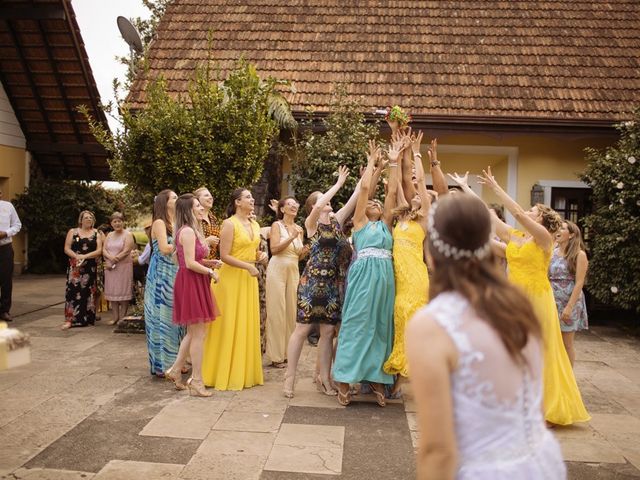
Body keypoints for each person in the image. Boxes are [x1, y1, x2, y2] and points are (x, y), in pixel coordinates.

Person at [407, 193, 566, 479]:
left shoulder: (431, 324)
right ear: (486, 246)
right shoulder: (520, 306)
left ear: (432, 251)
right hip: (541, 464)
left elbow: (438, 450)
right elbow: (536, 406)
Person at [450, 168, 589, 426]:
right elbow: (486, 216)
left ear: (542, 220)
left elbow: (515, 213)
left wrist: (495, 186)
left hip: (536, 300)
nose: (527, 212)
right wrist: (466, 189)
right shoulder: (515, 236)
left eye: (533, 212)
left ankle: (544, 408)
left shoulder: (544, 239)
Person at [283, 166, 358, 398]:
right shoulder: (311, 224)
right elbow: (317, 205)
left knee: (328, 332)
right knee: (302, 329)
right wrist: (337, 184)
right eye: (323, 200)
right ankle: (290, 377)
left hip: (333, 283)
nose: (328, 203)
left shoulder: (337, 222)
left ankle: (325, 379)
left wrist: (367, 173)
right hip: (312, 281)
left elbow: (356, 197)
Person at [333, 140, 398, 407]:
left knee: (380, 326)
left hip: (384, 278)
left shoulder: (386, 225)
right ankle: (344, 380)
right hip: (362, 277)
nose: (374, 202)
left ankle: (376, 378)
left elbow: (392, 193)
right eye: (371, 201)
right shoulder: (360, 223)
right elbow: (364, 191)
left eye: (377, 202)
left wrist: (393, 162)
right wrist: (372, 165)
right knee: (356, 324)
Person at [202, 188, 266, 390]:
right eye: (247, 197)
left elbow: (252, 250)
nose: (252, 199)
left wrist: (259, 257)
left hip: (248, 279)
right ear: (237, 202)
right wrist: (248, 266)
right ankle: (219, 372)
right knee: (228, 324)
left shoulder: (255, 224)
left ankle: (244, 371)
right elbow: (225, 255)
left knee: (246, 322)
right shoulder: (229, 224)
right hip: (231, 279)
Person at [383, 130, 431, 396]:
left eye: (420, 195)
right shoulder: (402, 216)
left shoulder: (423, 218)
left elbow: (419, 180)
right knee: (399, 320)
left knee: (407, 318)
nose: (415, 195)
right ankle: (404, 373)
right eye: (413, 195)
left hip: (415, 278)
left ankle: (406, 377)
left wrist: (416, 152)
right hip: (398, 277)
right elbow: (399, 181)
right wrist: (398, 150)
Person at [165, 194, 220, 397]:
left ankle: (175, 370)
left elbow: (193, 259)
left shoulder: (190, 230)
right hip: (191, 282)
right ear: (188, 210)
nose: (200, 208)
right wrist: (210, 272)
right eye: (197, 205)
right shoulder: (187, 231)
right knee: (199, 334)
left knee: (193, 332)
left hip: (193, 280)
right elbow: (188, 263)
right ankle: (197, 381)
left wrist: (209, 263)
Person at [144, 189, 184, 377]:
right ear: (164, 202)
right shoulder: (159, 223)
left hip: (176, 272)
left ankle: (178, 360)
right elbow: (165, 247)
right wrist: (187, 243)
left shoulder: (177, 221)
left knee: (178, 318)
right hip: (162, 274)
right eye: (174, 197)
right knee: (163, 318)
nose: (177, 199)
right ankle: (163, 364)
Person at [265, 196, 304, 368]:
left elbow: (298, 254)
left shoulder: (299, 229)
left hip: (293, 269)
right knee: (277, 311)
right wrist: (291, 237)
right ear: (282, 209)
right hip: (277, 268)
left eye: (295, 204)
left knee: (291, 311)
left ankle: (289, 353)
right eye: (289, 204)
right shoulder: (277, 225)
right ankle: (276, 356)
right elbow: (274, 249)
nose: (293, 206)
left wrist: (306, 251)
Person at [550, 220, 589, 367]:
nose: (558, 230)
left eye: (563, 228)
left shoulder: (579, 255)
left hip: (569, 301)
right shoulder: (552, 251)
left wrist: (569, 307)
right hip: (551, 300)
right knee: (551, 342)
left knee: (567, 344)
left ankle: (569, 381)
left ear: (571, 235)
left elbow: (579, 282)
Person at [62, 210, 103, 329]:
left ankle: (88, 318)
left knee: (89, 292)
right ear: (81, 220)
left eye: (91, 218)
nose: (88, 219)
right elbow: (67, 248)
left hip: (90, 266)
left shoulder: (97, 233)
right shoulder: (73, 232)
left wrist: (84, 256)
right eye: (86, 218)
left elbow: (99, 250)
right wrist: (76, 256)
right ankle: (70, 320)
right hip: (76, 266)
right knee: (73, 291)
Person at [103, 212, 135, 326]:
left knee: (122, 291)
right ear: (111, 223)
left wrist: (114, 259)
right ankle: (115, 317)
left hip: (123, 266)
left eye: (119, 221)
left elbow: (126, 250)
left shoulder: (128, 234)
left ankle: (123, 317)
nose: (117, 223)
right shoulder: (110, 235)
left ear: (123, 222)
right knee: (113, 291)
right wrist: (110, 260)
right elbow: (104, 250)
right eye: (115, 221)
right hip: (110, 267)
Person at [0, 188, 21, 322]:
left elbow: (17, 225)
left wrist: (6, 233)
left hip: (5, 248)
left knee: (6, 279)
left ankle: (4, 311)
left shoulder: (8, 206)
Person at [194, 187, 221, 260]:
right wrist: (207, 241)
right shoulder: (194, 219)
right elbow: (187, 244)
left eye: (211, 196)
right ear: (197, 199)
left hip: (214, 263)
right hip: (199, 262)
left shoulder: (213, 218)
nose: (210, 198)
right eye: (206, 195)